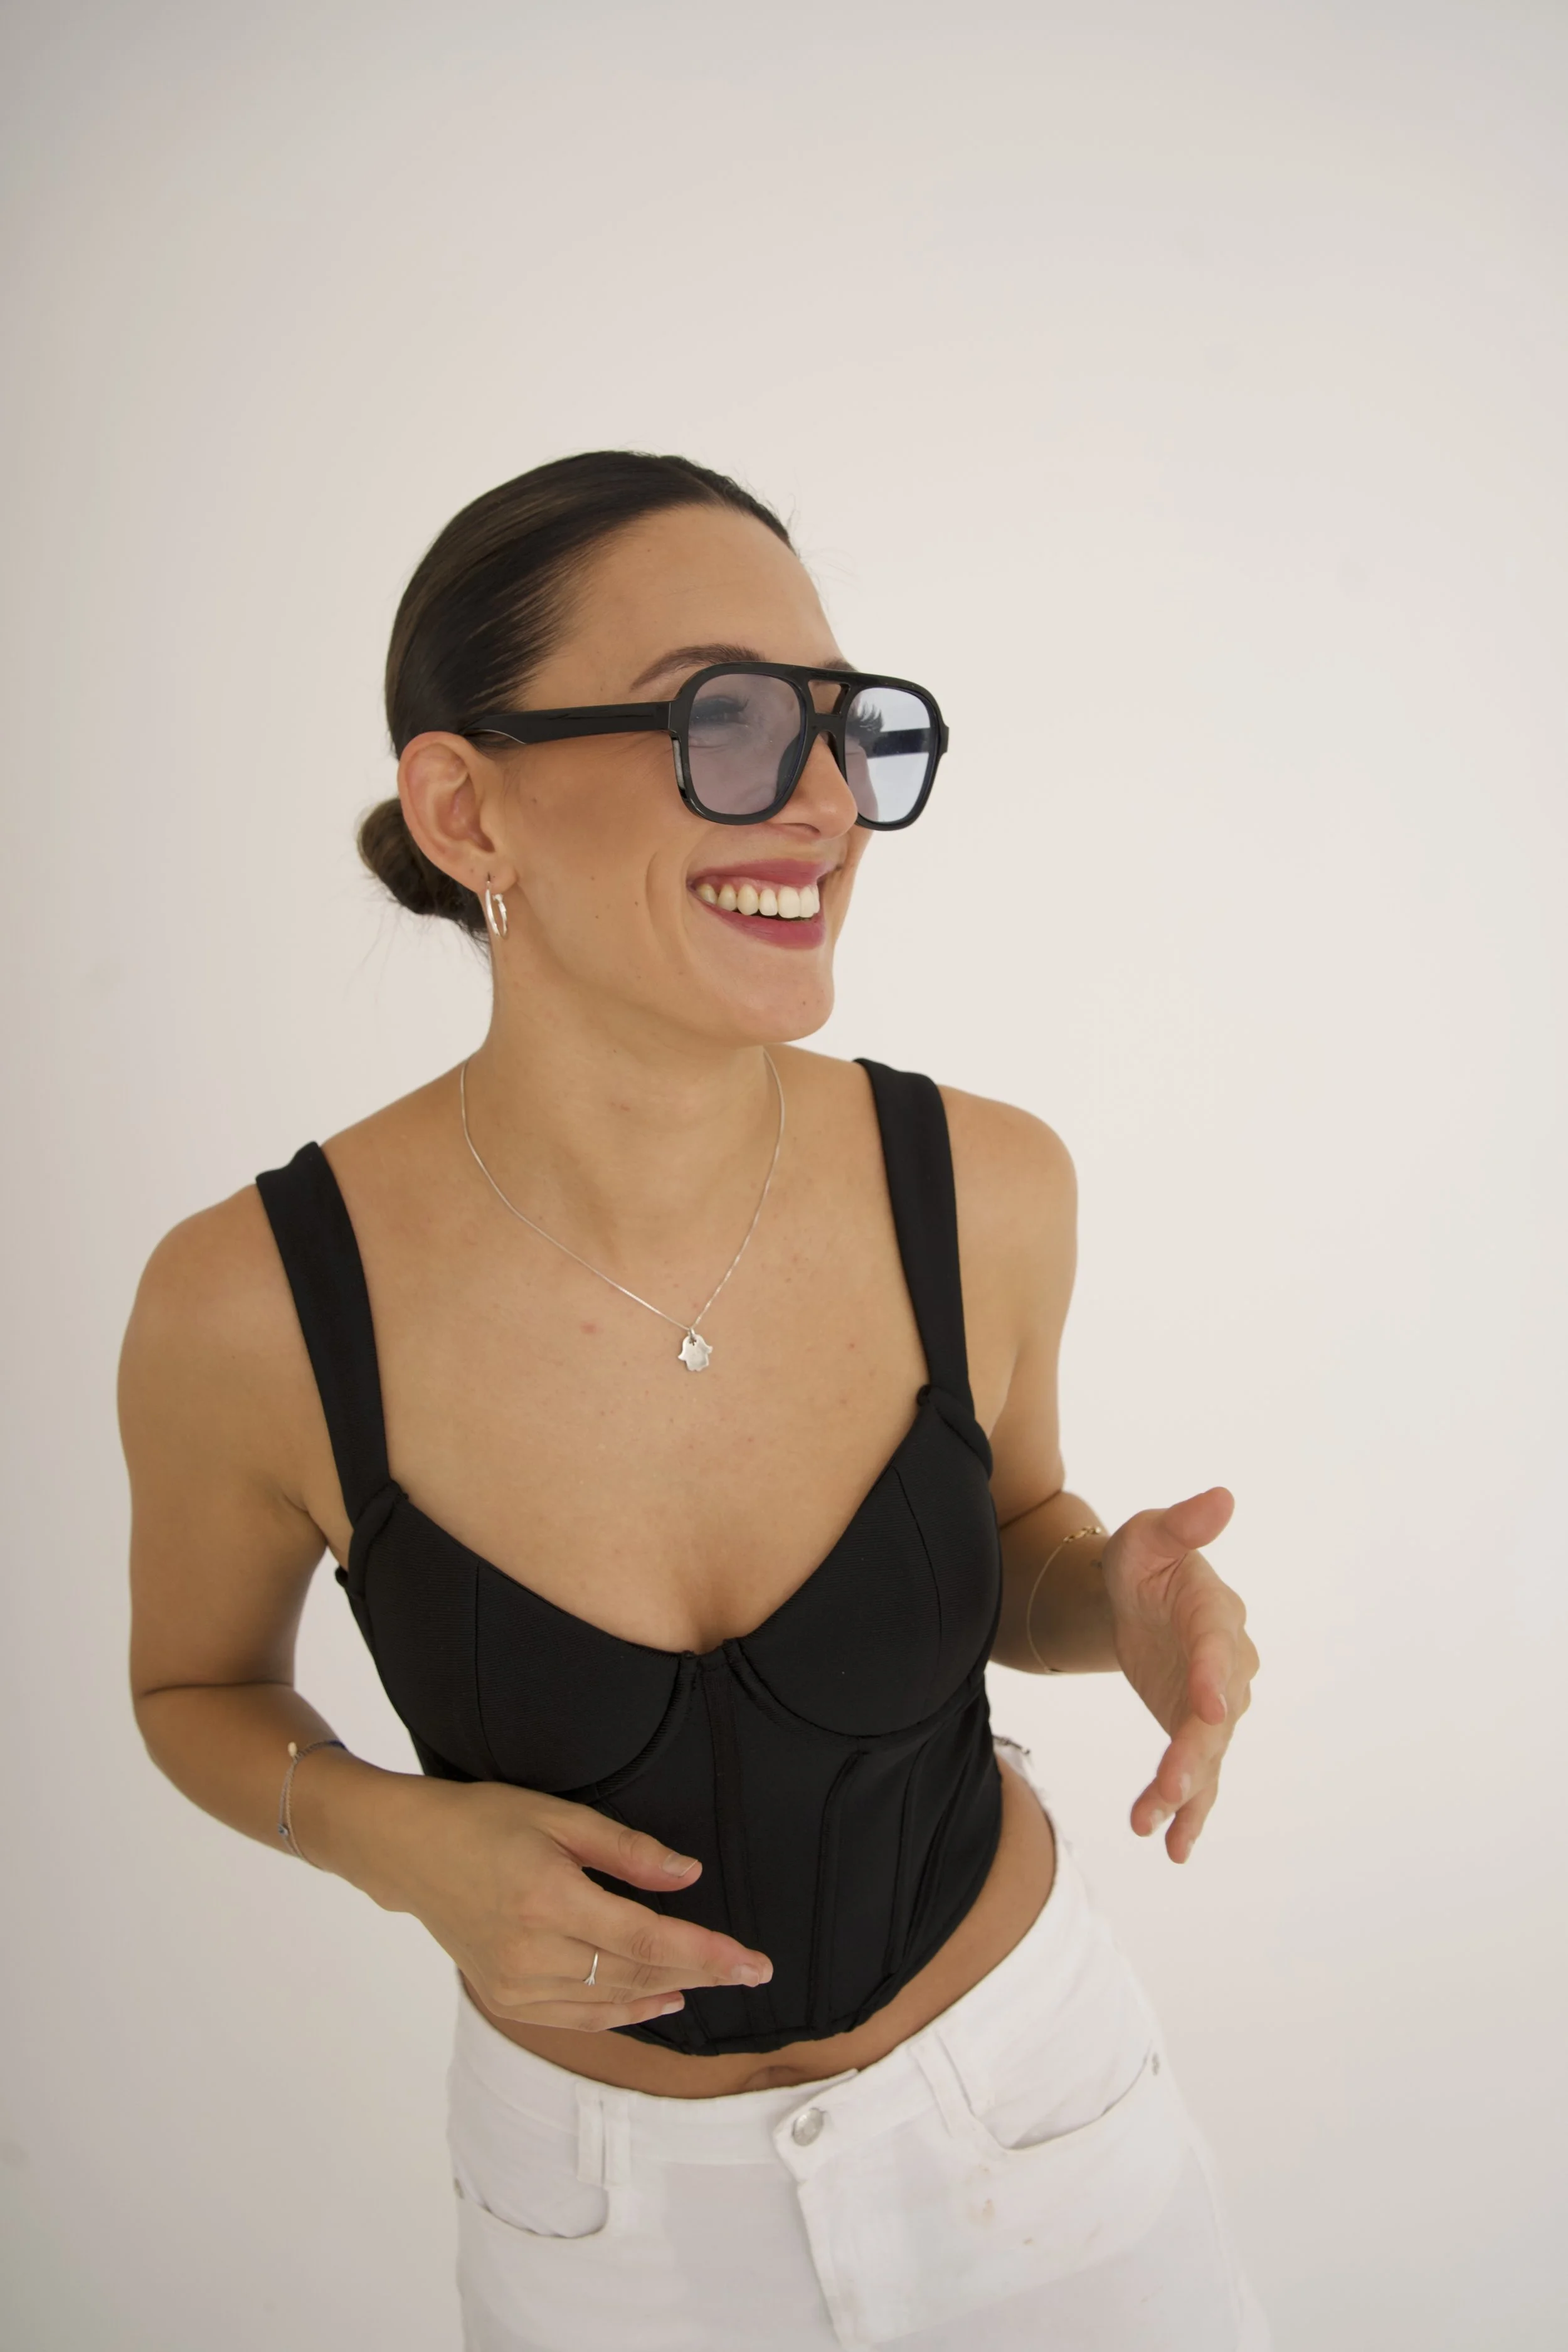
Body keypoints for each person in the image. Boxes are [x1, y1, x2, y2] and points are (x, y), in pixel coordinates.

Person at [120, 450, 1266, 2350]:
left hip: (1046, 2147)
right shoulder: (246, 1303)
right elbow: (193, 1695)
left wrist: (1116, 1598)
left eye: (842, 727)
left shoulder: (983, 1187)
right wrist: (393, 1838)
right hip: (608, 2240)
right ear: (465, 809)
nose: (822, 803)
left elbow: (1016, 1553)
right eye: (728, 722)